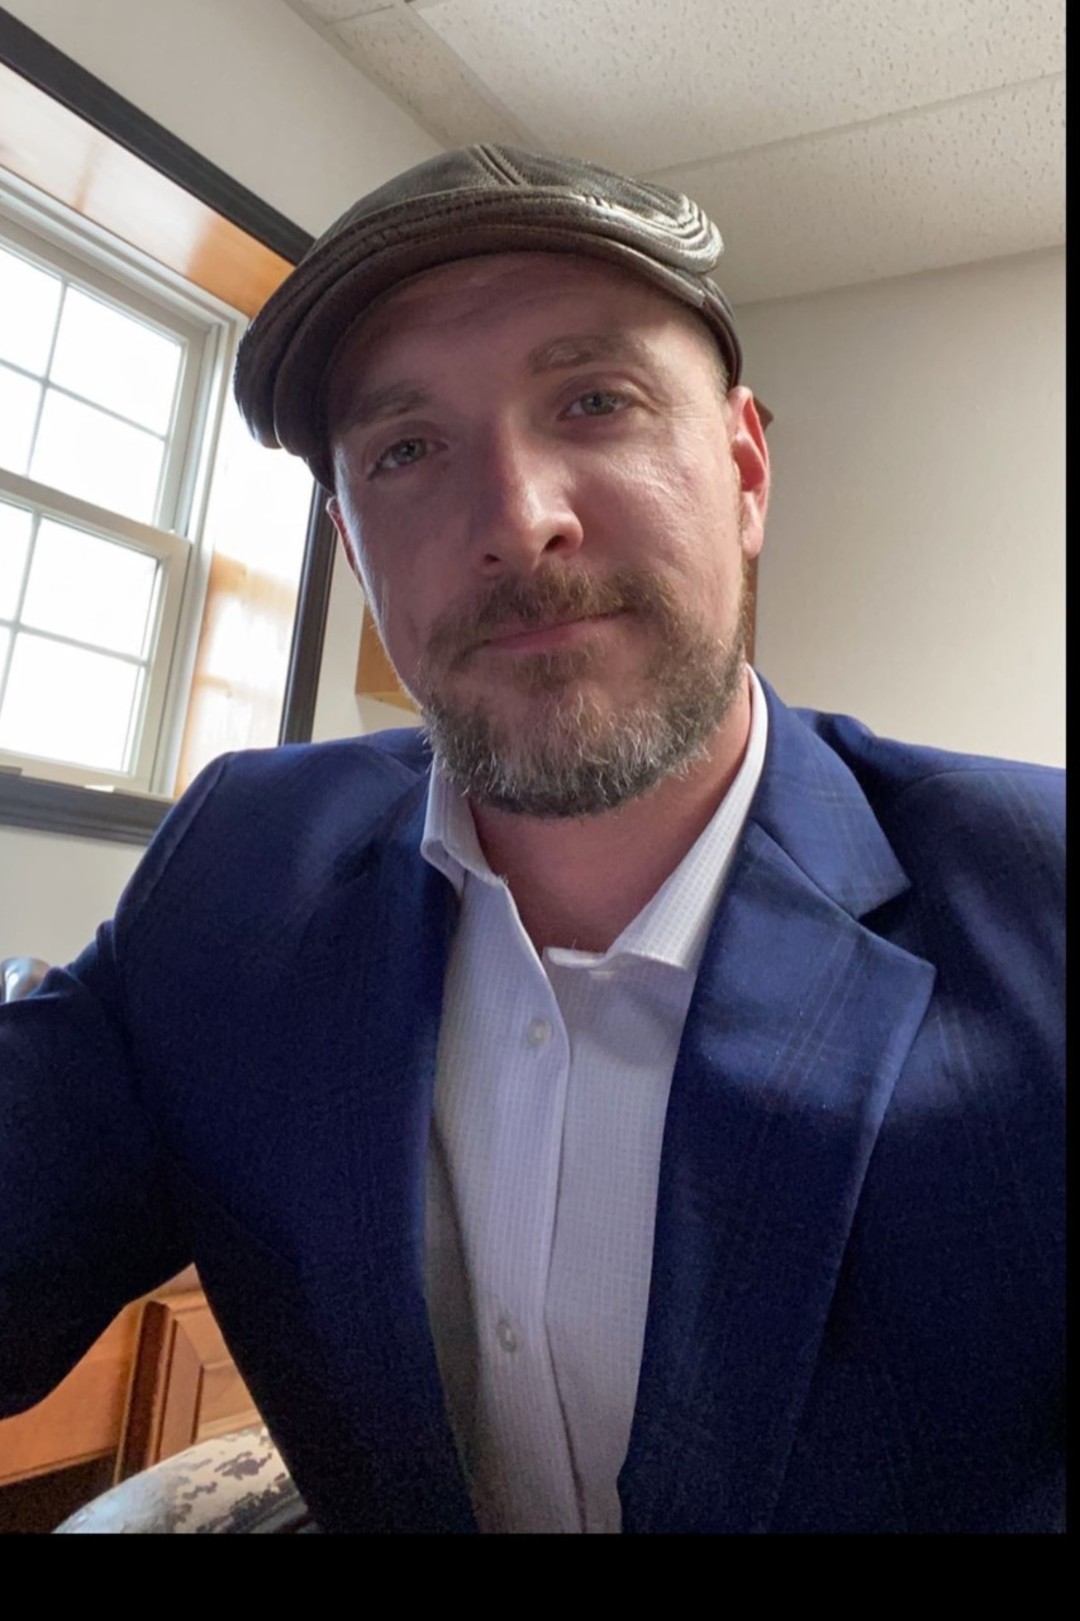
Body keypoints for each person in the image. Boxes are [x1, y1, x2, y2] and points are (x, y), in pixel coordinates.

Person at [0, 146, 1063, 1535]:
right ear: (354, 546)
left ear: (745, 470)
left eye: (595, 400)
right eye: (406, 450)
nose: (516, 520)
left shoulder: (1037, 894)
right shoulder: (241, 867)